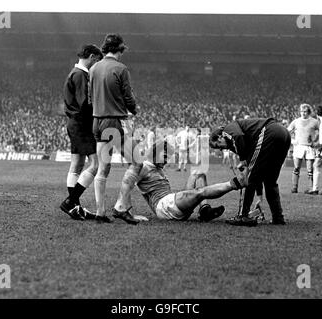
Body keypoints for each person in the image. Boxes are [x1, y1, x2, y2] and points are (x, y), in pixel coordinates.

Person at [114, 140, 248, 222]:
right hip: (164, 206)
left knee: (198, 173)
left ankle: (204, 210)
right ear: (155, 152)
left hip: (171, 202)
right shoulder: (144, 166)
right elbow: (127, 185)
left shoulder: (157, 168)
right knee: (200, 192)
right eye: (165, 156)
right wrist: (129, 212)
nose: (166, 160)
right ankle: (236, 183)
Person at [89, 33, 141, 224]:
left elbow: (89, 98)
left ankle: (100, 213)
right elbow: (128, 97)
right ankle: (121, 207)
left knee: (103, 168)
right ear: (120, 49)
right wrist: (134, 110)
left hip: (97, 121)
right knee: (136, 162)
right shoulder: (121, 68)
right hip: (115, 122)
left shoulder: (94, 68)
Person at [209, 117, 291, 226]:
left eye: (218, 146)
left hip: (269, 131)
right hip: (283, 134)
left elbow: (238, 136)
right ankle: (278, 218)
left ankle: (243, 215)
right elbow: (258, 172)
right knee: (270, 180)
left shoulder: (227, 130)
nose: (221, 149)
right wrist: (260, 196)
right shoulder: (240, 142)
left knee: (250, 177)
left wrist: (243, 160)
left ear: (219, 137)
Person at [59, 44, 103, 220]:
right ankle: (71, 202)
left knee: (76, 164)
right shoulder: (80, 75)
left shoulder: (74, 73)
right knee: (96, 164)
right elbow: (85, 103)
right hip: (82, 124)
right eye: (97, 60)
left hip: (74, 123)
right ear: (92, 56)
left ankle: (75, 207)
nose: (96, 65)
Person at [287, 104, 319, 193]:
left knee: (310, 169)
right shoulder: (296, 121)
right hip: (299, 147)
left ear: (308, 112)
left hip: (309, 147)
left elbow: (321, 131)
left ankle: (311, 188)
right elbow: (287, 131)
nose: (303, 113)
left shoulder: (314, 122)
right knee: (296, 168)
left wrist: (316, 141)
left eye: (305, 111)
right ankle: (294, 187)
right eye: (302, 111)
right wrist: (292, 141)